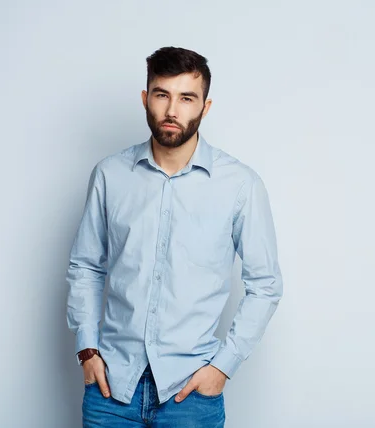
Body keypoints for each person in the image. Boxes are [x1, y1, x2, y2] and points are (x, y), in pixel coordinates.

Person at [66, 46, 283, 427]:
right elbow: (85, 266)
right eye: (162, 94)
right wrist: (87, 349)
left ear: (205, 106)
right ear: (145, 98)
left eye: (187, 98)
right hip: (111, 390)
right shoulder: (110, 176)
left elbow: (265, 285)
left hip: (191, 396)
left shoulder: (240, 186)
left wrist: (223, 366)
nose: (172, 110)